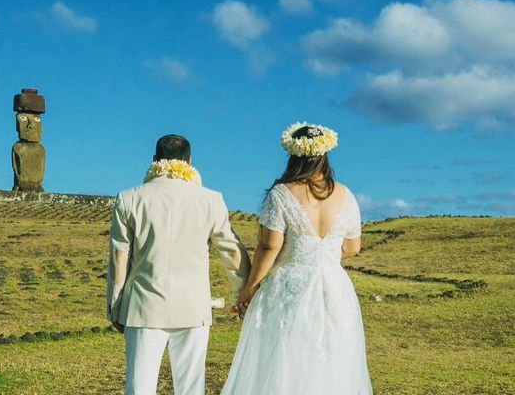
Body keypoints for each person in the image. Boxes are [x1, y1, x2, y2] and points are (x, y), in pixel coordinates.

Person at [221, 122, 373, 394]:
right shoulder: (345, 194)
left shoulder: (282, 193)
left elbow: (270, 247)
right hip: (336, 289)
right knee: (333, 360)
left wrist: (249, 288)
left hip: (290, 286)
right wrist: (324, 253)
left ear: (294, 155)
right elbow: (352, 247)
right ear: (324, 154)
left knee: (286, 359)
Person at [105, 134, 251, 395]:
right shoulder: (211, 200)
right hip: (193, 307)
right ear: (189, 161)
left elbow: (119, 257)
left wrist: (115, 306)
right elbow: (232, 251)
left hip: (143, 307)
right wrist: (244, 293)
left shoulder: (129, 198)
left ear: (154, 160)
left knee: (139, 387)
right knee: (190, 388)